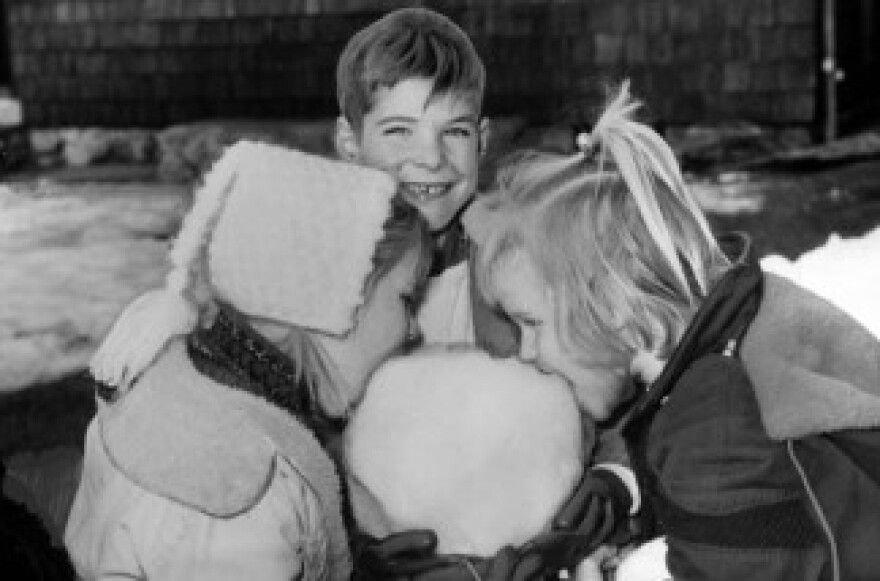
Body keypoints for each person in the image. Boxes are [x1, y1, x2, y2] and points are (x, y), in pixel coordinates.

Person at [89, 8, 637, 579]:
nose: (430, 158)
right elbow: (271, 396)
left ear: (483, 138)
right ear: (349, 142)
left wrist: (615, 479)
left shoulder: (517, 258)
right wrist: (348, 550)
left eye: (454, 131)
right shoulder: (304, 253)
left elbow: (611, 378)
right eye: (398, 130)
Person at [467, 79, 880, 580]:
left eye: (530, 323)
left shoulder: (714, 416)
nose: (525, 352)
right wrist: (631, 501)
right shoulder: (743, 331)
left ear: (612, 303)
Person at [65, 142, 433, 580]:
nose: (415, 330)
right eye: (406, 299)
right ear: (331, 298)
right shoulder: (237, 496)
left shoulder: (187, 375)